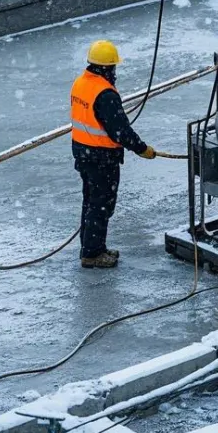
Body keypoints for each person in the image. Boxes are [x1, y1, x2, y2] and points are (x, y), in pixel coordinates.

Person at [70, 40, 156, 269]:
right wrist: (142, 148)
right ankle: (92, 253)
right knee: (101, 204)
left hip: (83, 152)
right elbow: (120, 131)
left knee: (90, 202)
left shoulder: (81, 83)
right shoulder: (105, 93)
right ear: (108, 68)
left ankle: (91, 246)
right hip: (101, 157)